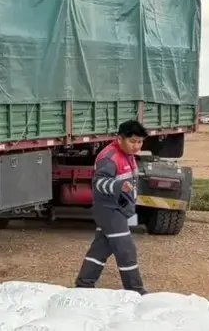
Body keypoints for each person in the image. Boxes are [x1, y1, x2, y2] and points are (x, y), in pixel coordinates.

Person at [74, 119, 150, 294]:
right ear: (120, 139)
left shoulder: (127, 155)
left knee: (101, 249)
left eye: (140, 142)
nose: (136, 146)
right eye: (132, 141)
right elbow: (98, 182)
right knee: (126, 250)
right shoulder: (109, 158)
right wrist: (118, 186)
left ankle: (84, 284)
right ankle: (136, 290)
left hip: (120, 209)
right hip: (109, 210)